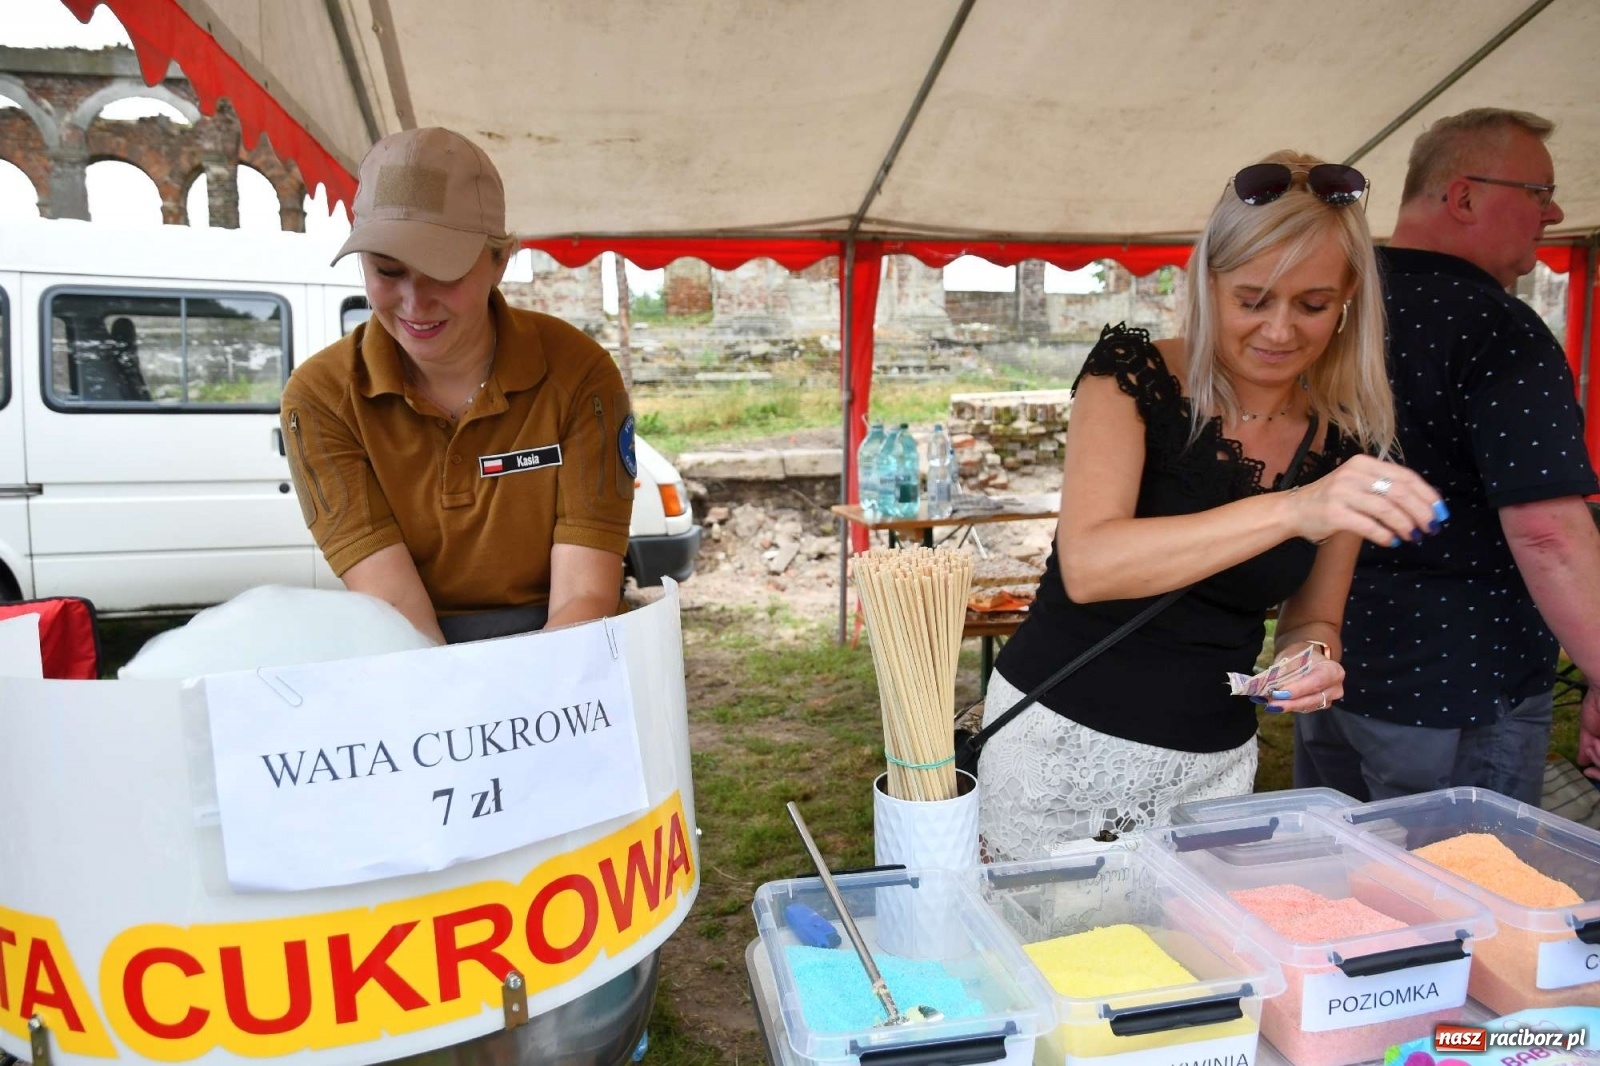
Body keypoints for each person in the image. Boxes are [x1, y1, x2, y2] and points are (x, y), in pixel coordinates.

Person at [977, 152, 1446, 863]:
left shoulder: (1350, 439)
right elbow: (1092, 565)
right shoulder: (1132, 377)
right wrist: (1294, 508)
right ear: (1209, 283)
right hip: (1063, 739)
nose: (1281, 330)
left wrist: (1312, 659)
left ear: (1350, 298)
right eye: (1253, 299)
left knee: (1186, 965)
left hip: (1213, 761)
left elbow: (1313, 616)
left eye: (1313, 304)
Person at [1296, 109, 1600, 803]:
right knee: (1462, 899)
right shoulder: (1496, 326)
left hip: (1325, 659)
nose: (1553, 213)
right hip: (1456, 688)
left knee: (1334, 890)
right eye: (1537, 192)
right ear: (1463, 197)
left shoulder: (1324, 306)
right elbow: (1548, 531)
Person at [281, 127, 636, 645]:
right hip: (414, 653)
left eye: (442, 273)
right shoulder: (321, 398)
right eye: (387, 270)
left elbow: (585, 595)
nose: (413, 302)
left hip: (565, 651)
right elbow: (394, 606)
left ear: (501, 260)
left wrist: (524, 702)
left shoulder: (578, 374)